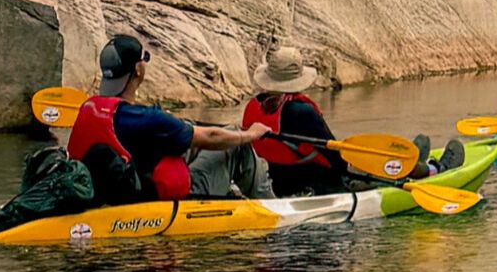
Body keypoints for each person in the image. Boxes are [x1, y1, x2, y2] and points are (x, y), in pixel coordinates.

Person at [68, 34, 272, 204]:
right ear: (139, 69)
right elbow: (210, 136)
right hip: (160, 203)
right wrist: (251, 134)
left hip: (115, 195)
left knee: (195, 142)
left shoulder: (89, 109)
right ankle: (273, 206)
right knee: (238, 145)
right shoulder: (150, 120)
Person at [242, 47, 457, 196]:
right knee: (362, 167)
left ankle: (410, 160)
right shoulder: (300, 111)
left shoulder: (253, 106)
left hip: (274, 180)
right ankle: (433, 170)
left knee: (358, 160)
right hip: (317, 182)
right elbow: (337, 160)